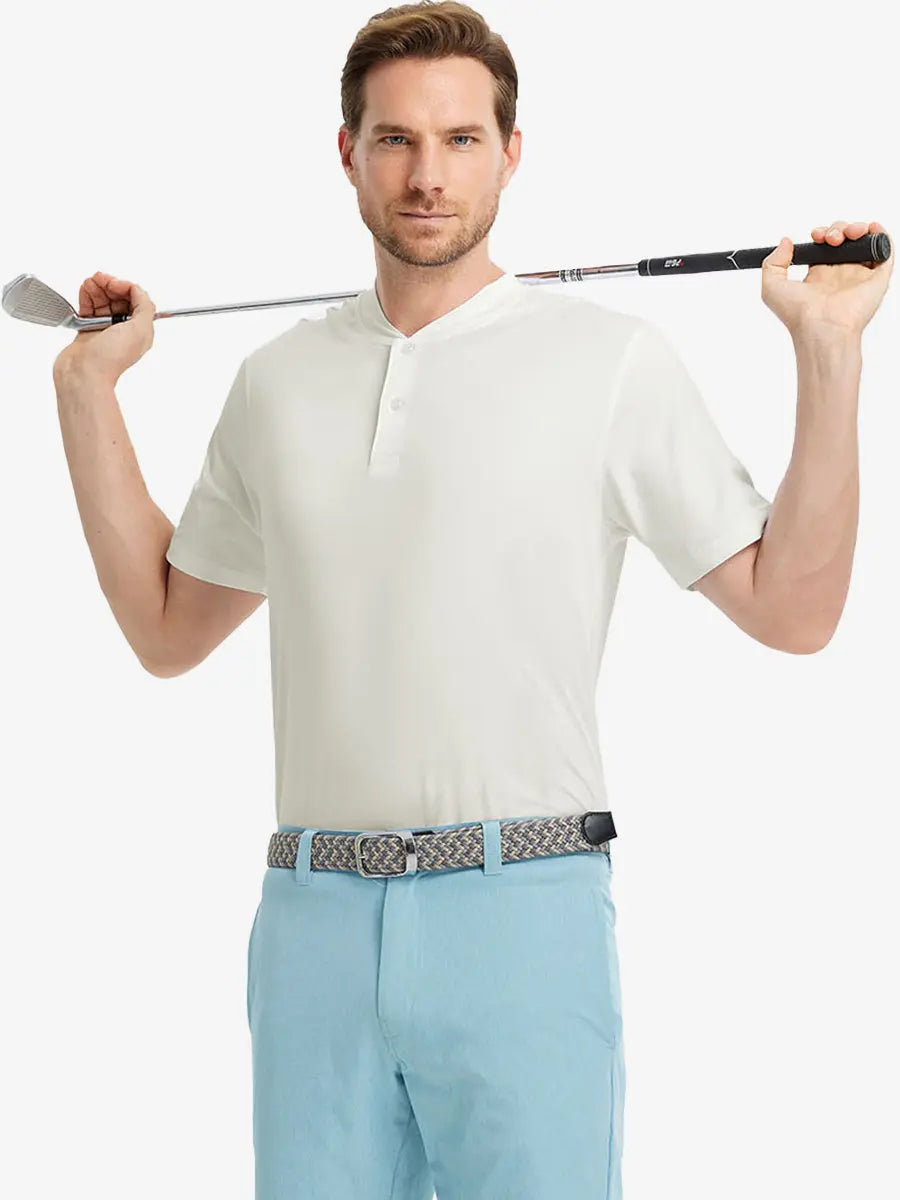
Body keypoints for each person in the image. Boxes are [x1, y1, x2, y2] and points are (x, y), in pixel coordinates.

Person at [50, 3, 890, 1197]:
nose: (427, 176)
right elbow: (166, 629)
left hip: (523, 914)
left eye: (460, 139)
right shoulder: (277, 382)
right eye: (396, 139)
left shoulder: (609, 361)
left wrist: (829, 351)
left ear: (511, 152)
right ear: (347, 153)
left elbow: (794, 611)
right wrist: (87, 393)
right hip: (311, 923)